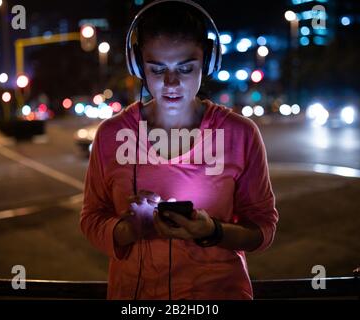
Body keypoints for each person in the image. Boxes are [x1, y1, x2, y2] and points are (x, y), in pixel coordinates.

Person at [80, 0, 278, 300]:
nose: (171, 83)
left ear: (208, 62)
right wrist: (131, 229)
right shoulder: (111, 135)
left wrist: (212, 231)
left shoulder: (241, 133)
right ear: (138, 65)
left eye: (185, 68)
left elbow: (262, 229)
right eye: (157, 69)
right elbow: (92, 219)